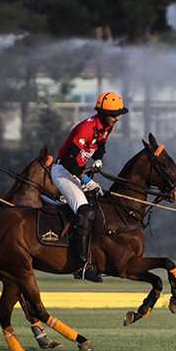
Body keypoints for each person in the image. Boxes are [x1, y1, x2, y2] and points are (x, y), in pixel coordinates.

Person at [51, 92, 128, 282]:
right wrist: (86, 180)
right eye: (114, 114)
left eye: (118, 114)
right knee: (85, 211)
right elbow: (69, 160)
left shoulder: (105, 127)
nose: (117, 118)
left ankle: (97, 257)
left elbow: (101, 146)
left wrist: (99, 159)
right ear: (102, 113)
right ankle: (81, 265)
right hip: (63, 171)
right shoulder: (86, 129)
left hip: (76, 172)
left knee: (99, 207)